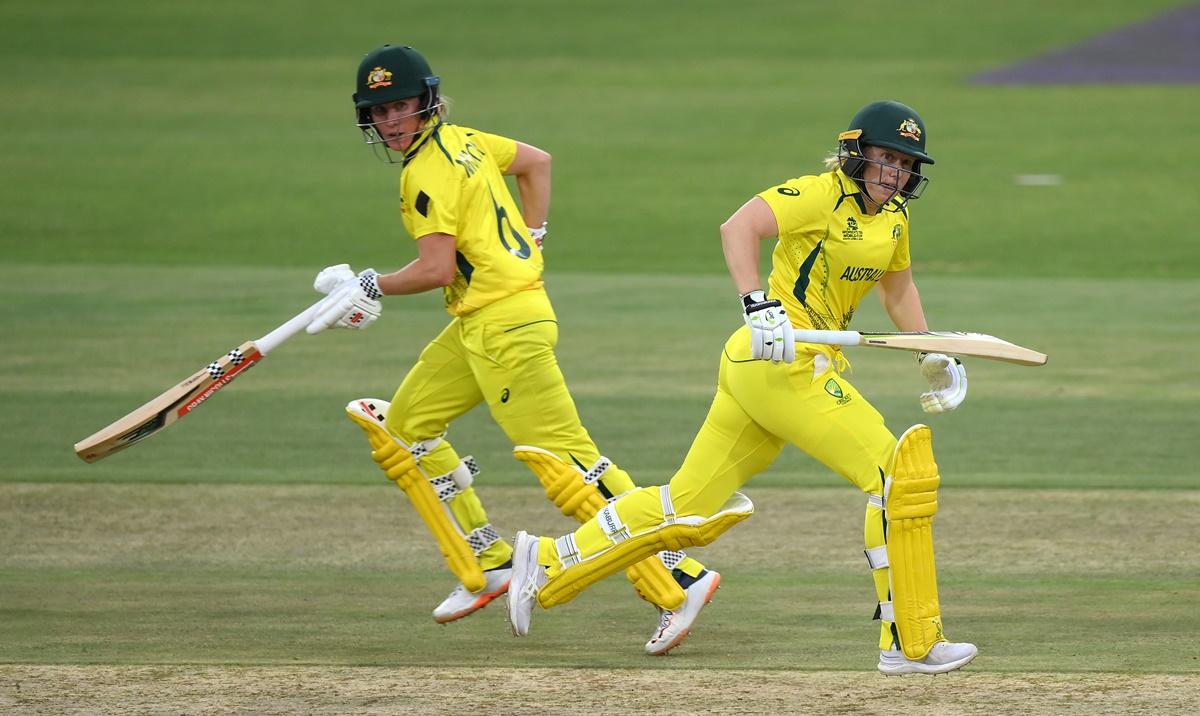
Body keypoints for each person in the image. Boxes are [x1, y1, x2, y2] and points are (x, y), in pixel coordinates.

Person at [506, 100, 978, 674]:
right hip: (780, 362)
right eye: (885, 159)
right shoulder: (818, 194)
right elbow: (739, 226)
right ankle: (911, 641)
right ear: (856, 154)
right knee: (896, 476)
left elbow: (898, 291)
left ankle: (548, 559)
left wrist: (929, 351)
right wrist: (760, 306)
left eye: (905, 165)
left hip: (775, 370)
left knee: (687, 506)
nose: (895, 174)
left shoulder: (896, 218)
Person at [305, 44, 717, 654]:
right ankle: (488, 561)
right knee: (406, 429)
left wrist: (371, 285)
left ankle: (679, 579)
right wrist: (534, 232)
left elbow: (438, 268)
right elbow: (538, 163)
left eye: (400, 106)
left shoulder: (425, 172)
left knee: (574, 468)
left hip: (506, 329)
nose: (390, 120)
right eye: (378, 110)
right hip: (482, 323)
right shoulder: (468, 140)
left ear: (426, 102)